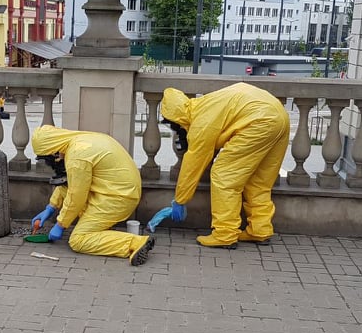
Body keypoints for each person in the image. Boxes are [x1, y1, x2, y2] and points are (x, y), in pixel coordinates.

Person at [159, 82, 290, 248]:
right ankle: (260, 230)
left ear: (177, 118)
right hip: (279, 116)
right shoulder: (204, 104)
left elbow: (193, 166)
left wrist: (180, 200)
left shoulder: (201, 122)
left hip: (259, 121)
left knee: (224, 176)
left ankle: (225, 234)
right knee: (258, 182)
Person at [31, 125, 155, 266]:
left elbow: (76, 195)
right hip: (118, 191)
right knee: (80, 213)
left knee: (78, 240)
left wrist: (61, 224)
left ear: (54, 153)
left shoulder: (77, 156)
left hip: (118, 198)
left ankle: (135, 243)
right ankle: (97, 229)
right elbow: (69, 185)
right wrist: (51, 207)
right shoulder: (80, 141)